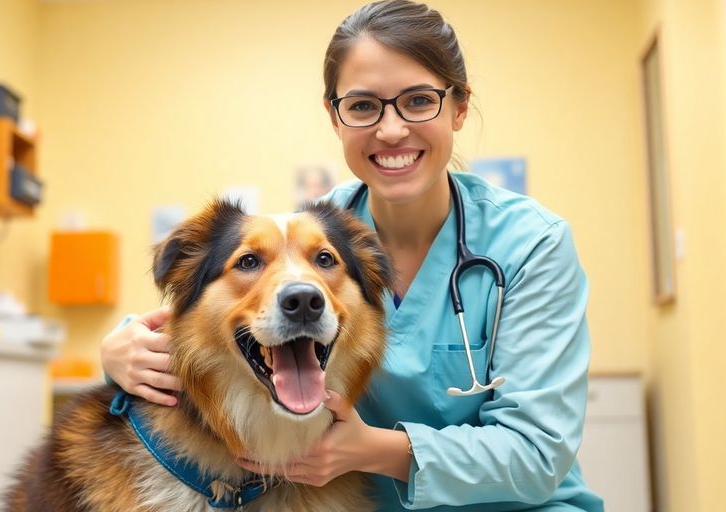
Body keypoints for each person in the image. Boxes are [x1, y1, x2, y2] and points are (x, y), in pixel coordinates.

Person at [101, 1, 603, 510]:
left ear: (459, 106)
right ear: (334, 117)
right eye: (363, 106)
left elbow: (539, 455)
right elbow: (222, 314)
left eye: (419, 100)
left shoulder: (532, 245)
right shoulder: (321, 233)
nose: (390, 130)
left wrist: (375, 451)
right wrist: (119, 350)